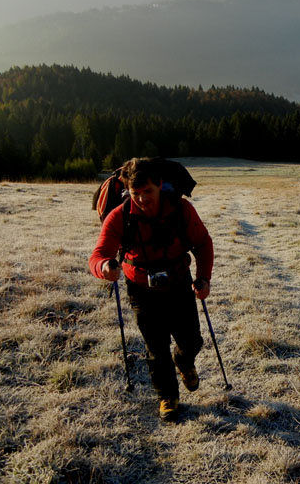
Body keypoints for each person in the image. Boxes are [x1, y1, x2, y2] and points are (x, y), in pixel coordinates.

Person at [89, 157, 214, 421]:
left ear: (159, 185)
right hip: (141, 289)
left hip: (180, 284)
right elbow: (98, 254)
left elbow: (203, 244)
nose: (143, 199)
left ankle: (184, 361)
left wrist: (203, 279)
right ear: (127, 190)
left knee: (191, 341)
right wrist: (104, 267)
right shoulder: (119, 216)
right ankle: (167, 397)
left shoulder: (181, 210)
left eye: (148, 192)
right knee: (156, 347)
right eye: (136, 193)